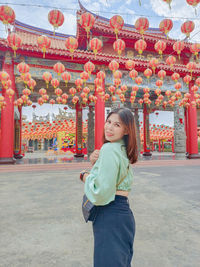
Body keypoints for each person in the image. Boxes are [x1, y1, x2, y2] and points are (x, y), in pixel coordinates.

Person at [79, 107, 138, 267]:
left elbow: (101, 192)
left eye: (117, 125)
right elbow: (113, 177)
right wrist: (96, 164)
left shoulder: (109, 149)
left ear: (126, 130)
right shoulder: (122, 150)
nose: (110, 127)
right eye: (108, 122)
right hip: (123, 213)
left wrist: (85, 176)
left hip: (109, 213)